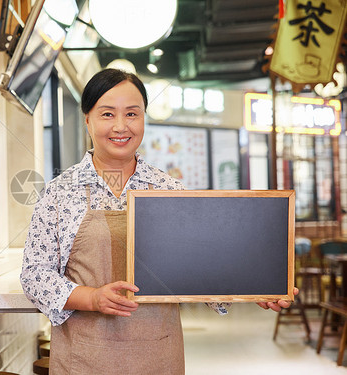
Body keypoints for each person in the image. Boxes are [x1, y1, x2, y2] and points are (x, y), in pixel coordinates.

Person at [20, 68, 296, 374]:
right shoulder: (60, 192)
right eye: (108, 114)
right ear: (87, 119)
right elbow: (34, 275)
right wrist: (93, 298)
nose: (121, 126)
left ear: (144, 119)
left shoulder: (170, 190)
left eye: (132, 114)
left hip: (158, 356)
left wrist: (255, 288)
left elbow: (199, 268)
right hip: (84, 358)